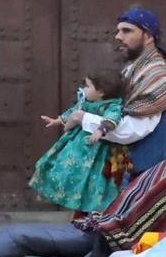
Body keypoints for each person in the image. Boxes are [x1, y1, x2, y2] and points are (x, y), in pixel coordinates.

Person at [30, 67, 131, 213]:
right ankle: (53, 189)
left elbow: (111, 120)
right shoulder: (87, 102)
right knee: (61, 166)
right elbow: (73, 111)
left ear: (101, 92)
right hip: (76, 144)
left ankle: (88, 206)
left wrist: (100, 130)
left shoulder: (112, 105)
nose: (83, 88)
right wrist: (57, 120)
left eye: (88, 86)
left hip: (95, 150)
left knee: (90, 178)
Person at [103, 7, 166, 176]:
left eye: (127, 31)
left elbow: (133, 130)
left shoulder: (156, 76)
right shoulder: (133, 71)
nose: (118, 37)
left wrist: (86, 121)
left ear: (148, 37)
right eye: (118, 31)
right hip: (131, 173)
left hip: (149, 177)